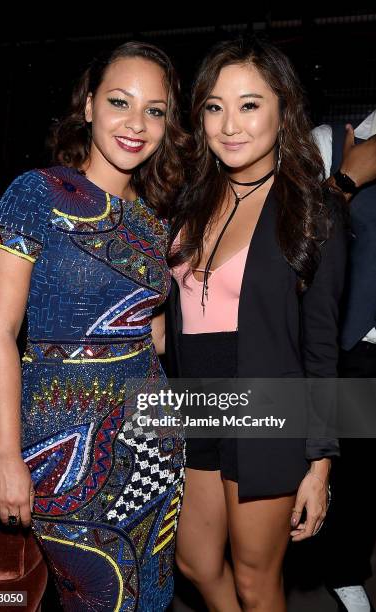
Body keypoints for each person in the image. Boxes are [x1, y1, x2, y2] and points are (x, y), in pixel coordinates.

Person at [0, 41, 187, 611]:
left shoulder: (154, 220)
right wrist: (5, 457)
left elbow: (154, 335)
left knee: (150, 595)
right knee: (99, 595)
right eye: (120, 101)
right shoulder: (35, 195)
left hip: (153, 444)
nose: (136, 124)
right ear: (89, 105)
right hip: (60, 453)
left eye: (155, 110)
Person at [165, 36, 347, 611]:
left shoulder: (311, 208)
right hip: (190, 402)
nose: (229, 125)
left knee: (253, 577)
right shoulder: (187, 201)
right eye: (215, 106)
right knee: (193, 560)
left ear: (282, 110)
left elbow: (321, 347)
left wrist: (319, 463)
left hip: (267, 403)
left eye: (249, 105)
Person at [313, 115, 376, 612]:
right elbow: (295, 240)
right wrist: (346, 182)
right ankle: (345, 573)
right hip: (356, 345)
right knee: (355, 473)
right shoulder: (330, 143)